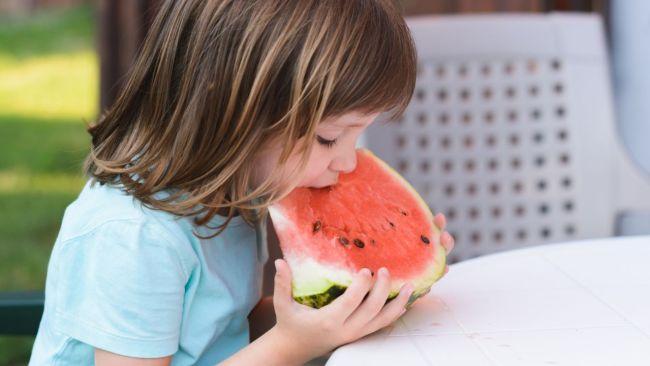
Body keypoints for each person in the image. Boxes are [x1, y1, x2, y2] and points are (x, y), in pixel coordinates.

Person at [29, 1, 455, 365]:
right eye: (329, 138)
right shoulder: (135, 237)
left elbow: (225, 328)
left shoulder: (233, 193)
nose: (347, 161)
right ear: (239, 115)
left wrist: (344, 309)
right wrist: (291, 345)